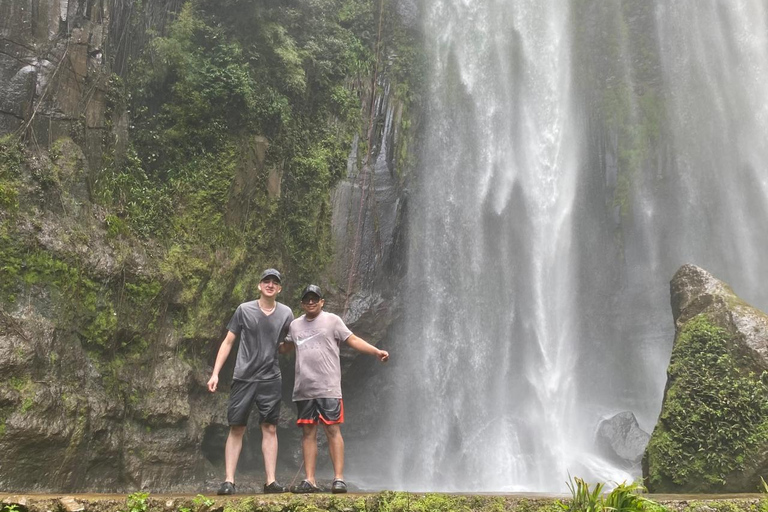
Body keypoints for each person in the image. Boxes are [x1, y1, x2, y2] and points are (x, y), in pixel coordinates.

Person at [282, 284, 389, 494]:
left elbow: (353, 340)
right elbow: (284, 347)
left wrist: (375, 351)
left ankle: (339, 479)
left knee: (332, 430)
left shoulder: (332, 320)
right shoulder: (295, 326)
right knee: (308, 432)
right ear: (302, 303)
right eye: (307, 299)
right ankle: (310, 480)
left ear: (322, 301)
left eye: (315, 298)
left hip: (328, 387)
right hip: (304, 389)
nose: (311, 302)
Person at [206, 268, 293, 495]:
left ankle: (271, 481)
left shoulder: (286, 313)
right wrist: (215, 373)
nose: (270, 285)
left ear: (280, 288)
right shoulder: (244, 310)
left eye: (275, 282)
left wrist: (292, 345)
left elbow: (285, 346)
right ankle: (228, 480)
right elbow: (228, 342)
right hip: (243, 376)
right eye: (266, 281)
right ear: (259, 285)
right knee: (237, 427)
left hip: (270, 378)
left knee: (270, 427)